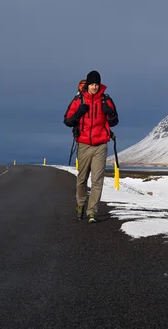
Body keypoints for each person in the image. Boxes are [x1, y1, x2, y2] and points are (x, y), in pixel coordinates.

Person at [63, 70, 119, 223]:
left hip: (100, 145)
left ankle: (92, 211)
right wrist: (78, 114)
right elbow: (67, 121)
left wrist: (110, 114)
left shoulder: (105, 100)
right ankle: (80, 204)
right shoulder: (79, 101)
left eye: (96, 84)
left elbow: (115, 122)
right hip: (84, 145)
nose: (94, 87)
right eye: (92, 84)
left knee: (97, 180)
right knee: (82, 179)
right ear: (87, 85)